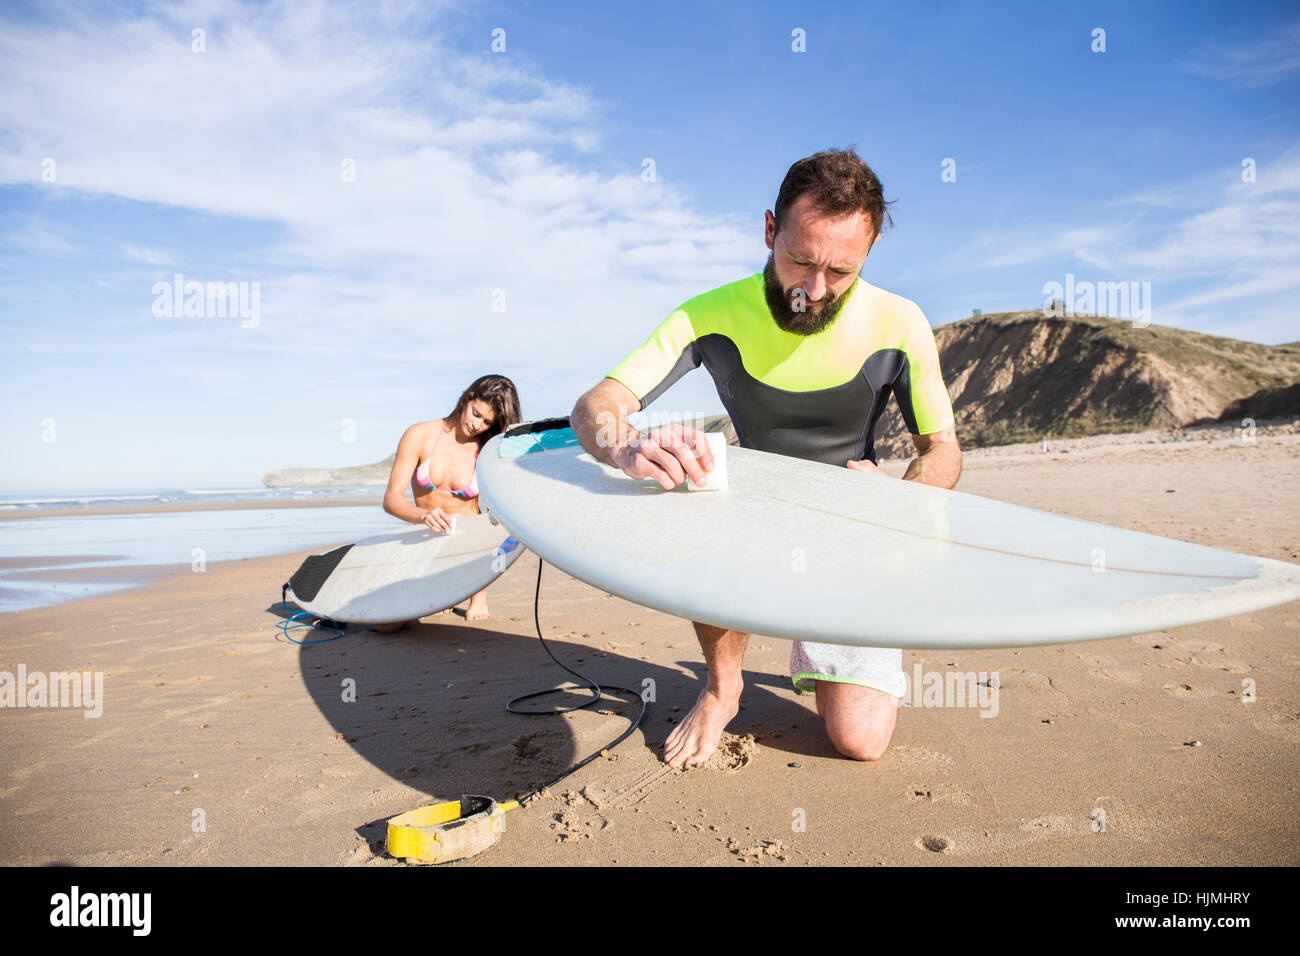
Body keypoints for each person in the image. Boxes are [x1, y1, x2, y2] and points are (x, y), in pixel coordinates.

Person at [570, 148, 961, 768]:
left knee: (860, 742)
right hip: (750, 517)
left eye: (841, 272)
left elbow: (941, 450)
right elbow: (599, 402)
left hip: (851, 524)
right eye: (799, 260)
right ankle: (724, 685)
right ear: (770, 228)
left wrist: (904, 499)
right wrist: (625, 445)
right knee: (689, 482)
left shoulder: (900, 322)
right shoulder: (710, 313)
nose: (814, 290)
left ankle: (817, 647)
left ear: (871, 248)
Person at [381, 374, 521, 626]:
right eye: (476, 413)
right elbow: (391, 500)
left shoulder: (486, 449)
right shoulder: (420, 435)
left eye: (488, 422)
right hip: (425, 539)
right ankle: (434, 586)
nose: (478, 425)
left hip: (468, 549)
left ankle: (478, 594)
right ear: (467, 398)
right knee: (387, 626)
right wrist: (422, 515)